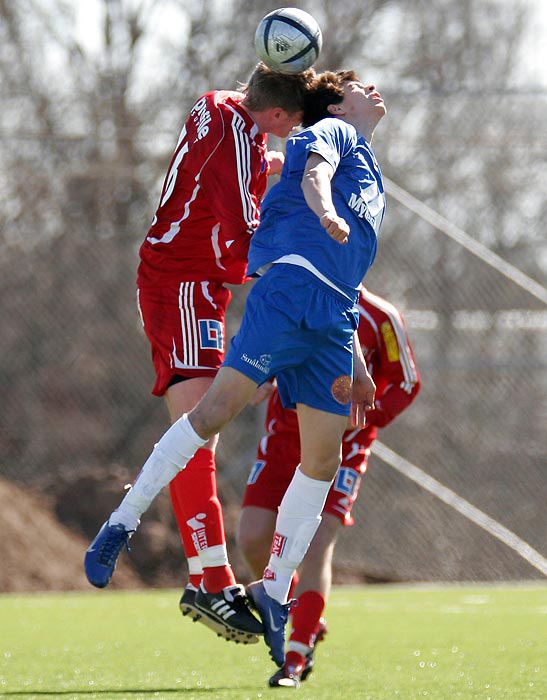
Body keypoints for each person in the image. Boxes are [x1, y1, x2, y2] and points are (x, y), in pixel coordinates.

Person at [84, 69, 387, 668]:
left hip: (323, 317)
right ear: (315, 109)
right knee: (209, 418)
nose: (372, 89)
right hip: (226, 290)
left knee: (319, 458)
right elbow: (302, 187)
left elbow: (340, 268)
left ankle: (270, 592)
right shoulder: (321, 137)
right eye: (356, 85)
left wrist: (353, 352)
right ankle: (154, 543)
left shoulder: (343, 157)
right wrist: (320, 206)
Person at [102, 63, 317, 645]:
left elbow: (245, 168)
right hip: (186, 285)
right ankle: (211, 580)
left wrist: (282, 166)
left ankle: (209, 578)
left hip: (182, 281)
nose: (290, 133)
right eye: (292, 124)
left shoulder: (223, 106)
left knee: (198, 430)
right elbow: (249, 237)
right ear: (275, 114)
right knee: (198, 431)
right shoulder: (236, 136)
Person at [237, 287, 421, 687]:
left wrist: (363, 419)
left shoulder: (380, 317)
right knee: (252, 537)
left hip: (343, 448)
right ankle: (307, 616)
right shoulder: (288, 290)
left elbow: (406, 382)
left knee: (317, 541)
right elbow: (258, 349)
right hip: (283, 438)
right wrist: (253, 377)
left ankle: (296, 655)